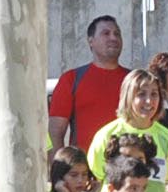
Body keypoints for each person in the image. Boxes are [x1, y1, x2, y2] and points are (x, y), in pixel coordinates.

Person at [48, 15, 129, 149]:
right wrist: (58, 167)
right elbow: (55, 133)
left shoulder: (133, 80)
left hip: (126, 166)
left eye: (117, 34)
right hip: (84, 167)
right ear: (91, 41)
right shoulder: (71, 79)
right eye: (106, 33)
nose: (113, 38)